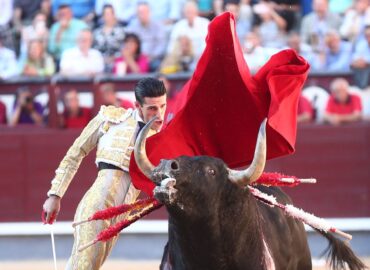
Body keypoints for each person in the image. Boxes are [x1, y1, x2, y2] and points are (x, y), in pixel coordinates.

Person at [42, 77, 167, 270]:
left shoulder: (165, 139)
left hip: (121, 217)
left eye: (162, 106)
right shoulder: (111, 118)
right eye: (152, 108)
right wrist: (55, 194)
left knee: (82, 266)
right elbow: (75, 153)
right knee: (84, 266)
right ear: (137, 106)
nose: (159, 115)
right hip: (98, 204)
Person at [93, 4, 126, 72]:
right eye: (105, 14)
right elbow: (94, 49)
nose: (107, 16)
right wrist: (101, 59)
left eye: (109, 13)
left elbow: (123, 49)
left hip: (116, 62)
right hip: (99, 62)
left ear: (113, 15)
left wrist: (113, 58)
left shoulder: (121, 31)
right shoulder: (96, 32)